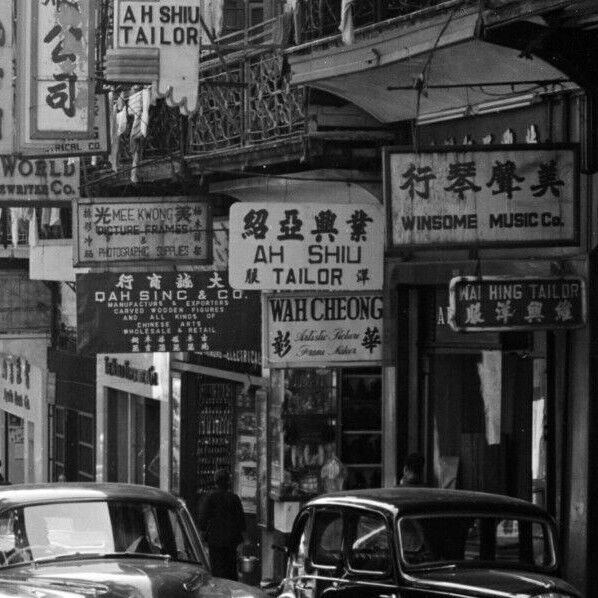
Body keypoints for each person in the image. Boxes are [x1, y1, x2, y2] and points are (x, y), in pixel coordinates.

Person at [197, 469, 247, 581]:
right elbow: (241, 521)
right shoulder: (234, 499)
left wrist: (202, 534)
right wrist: (244, 539)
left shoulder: (210, 498)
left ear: (216, 482)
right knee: (230, 568)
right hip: (231, 540)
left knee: (217, 567)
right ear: (228, 482)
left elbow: (203, 519)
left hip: (215, 539)